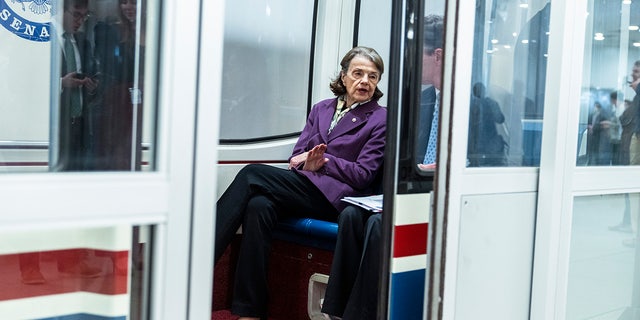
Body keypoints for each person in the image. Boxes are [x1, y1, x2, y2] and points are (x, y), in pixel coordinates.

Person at [214, 46, 387, 320]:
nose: (365, 81)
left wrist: (325, 161)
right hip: (306, 187)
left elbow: (364, 174)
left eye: (373, 76)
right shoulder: (321, 109)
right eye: (358, 73)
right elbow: (297, 156)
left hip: (336, 200)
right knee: (258, 206)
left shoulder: (380, 118)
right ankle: (249, 310)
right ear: (343, 77)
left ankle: (201, 257)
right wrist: (307, 162)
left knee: (251, 174)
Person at [321, 15, 445, 320]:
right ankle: (336, 312)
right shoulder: (421, 100)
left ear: (438, 55)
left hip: (439, 197)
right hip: (408, 191)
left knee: (378, 226)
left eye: (418, 56)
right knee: (350, 215)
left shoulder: (477, 103)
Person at [91, 0, 146, 170]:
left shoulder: (153, 31)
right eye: (124, 3)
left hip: (144, 98)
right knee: (115, 147)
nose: (129, 8)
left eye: (134, 3)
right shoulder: (112, 30)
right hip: (118, 98)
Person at [55, 0, 99, 171]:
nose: (80, 21)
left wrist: (92, 85)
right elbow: (27, 84)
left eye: (84, 16)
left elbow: (90, 75)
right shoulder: (44, 38)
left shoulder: (80, 42)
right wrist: (61, 83)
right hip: (55, 129)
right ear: (61, 10)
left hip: (79, 128)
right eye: (76, 15)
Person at [467, 82, 507, 167]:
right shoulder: (490, 103)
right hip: (489, 147)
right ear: (484, 91)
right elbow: (500, 119)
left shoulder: (469, 104)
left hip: (474, 147)